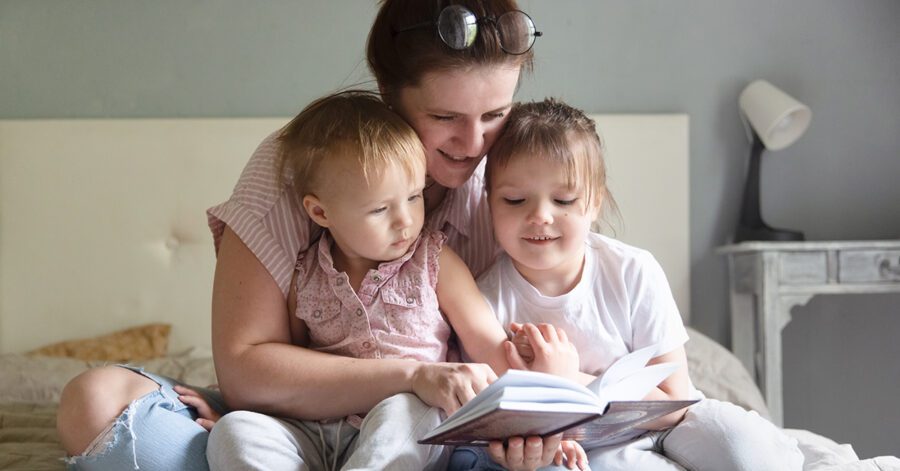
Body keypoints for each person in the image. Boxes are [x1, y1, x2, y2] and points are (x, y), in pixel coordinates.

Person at [56, 1, 572, 470]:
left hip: (437, 425)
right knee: (97, 400)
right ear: (389, 96)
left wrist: (548, 405)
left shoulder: (521, 181)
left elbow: (547, 346)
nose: (473, 143)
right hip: (300, 414)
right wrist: (409, 376)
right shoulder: (302, 165)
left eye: (495, 115)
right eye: (444, 118)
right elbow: (248, 371)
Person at [447, 98, 806, 470]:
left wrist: (570, 379)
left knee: (745, 447)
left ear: (594, 203)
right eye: (515, 200)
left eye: (564, 199)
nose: (540, 215)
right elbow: (501, 421)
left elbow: (671, 402)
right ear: (489, 204)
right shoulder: (485, 302)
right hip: (581, 445)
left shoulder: (633, 271)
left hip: (672, 424)